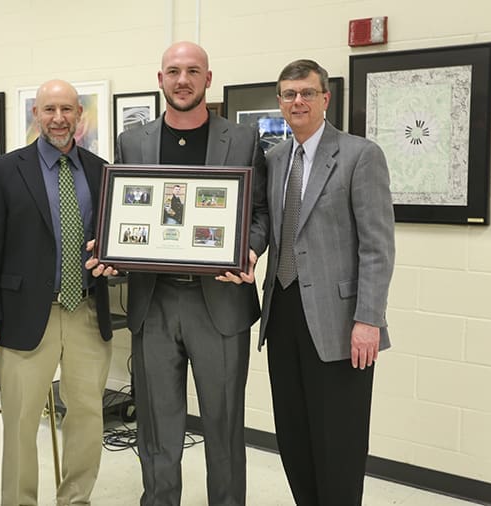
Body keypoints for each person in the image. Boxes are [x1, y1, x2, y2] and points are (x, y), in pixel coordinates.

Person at [89, 41, 268, 506]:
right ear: (160, 78)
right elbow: (124, 213)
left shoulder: (243, 139)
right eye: (173, 71)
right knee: (157, 427)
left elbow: (261, 212)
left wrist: (247, 250)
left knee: (224, 427)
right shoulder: (134, 141)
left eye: (192, 71)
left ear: (208, 79)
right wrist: (110, 248)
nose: (182, 79)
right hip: (155, 302)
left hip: (221, 304)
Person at [258, 59, 395, 505]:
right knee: (294, 436)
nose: (297, 101)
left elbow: (377, 246)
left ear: (325, 99)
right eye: (288, 94)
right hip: (282, 314)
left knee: (339, 443)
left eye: (307, 93)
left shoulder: (360, 155)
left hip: (341, 325)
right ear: (279, 101)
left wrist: (368, 319)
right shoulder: (276, 159)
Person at [0, 79, 113, 506]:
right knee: (20, 423)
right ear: (36, 114)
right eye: (49, 109)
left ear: (79, 116)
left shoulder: (101, 170)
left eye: (67, 109)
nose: (58, 118)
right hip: (24, 315)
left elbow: (113, 240)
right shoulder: (3, 170)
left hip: (87, 312)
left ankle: (76, 499)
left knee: (88, 417)